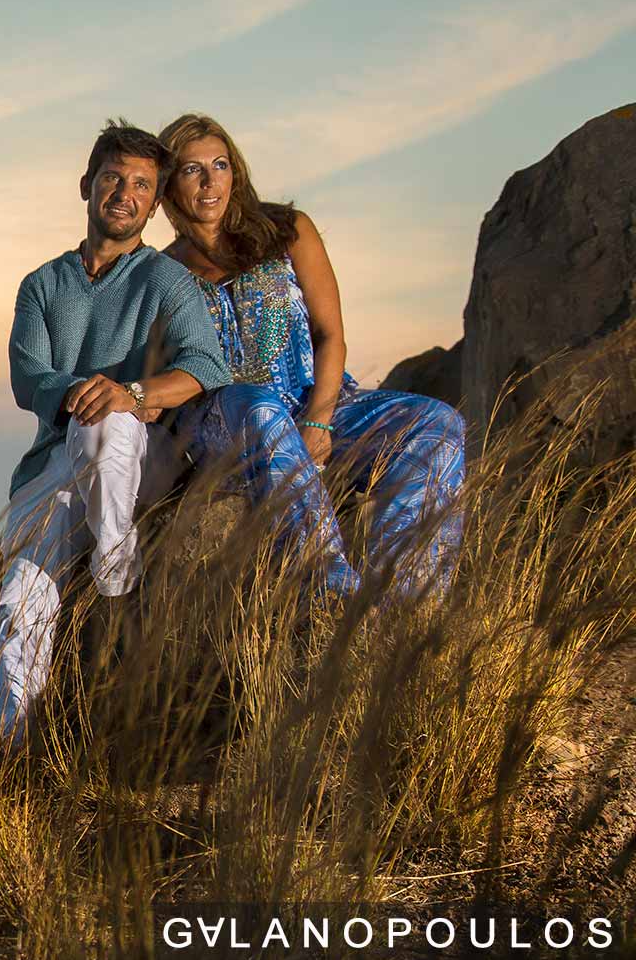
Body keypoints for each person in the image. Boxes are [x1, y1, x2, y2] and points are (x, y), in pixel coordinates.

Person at [0, 120, 234, 746]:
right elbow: (27, 374)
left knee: (110, 425)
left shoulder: (165, 280)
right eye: (112, 178)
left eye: (141, 185)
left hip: (141, 451)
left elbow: (206, 364)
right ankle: (6, 752)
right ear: (86, 186)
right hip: (57, 461)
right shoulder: (42, 286)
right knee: (20, 601)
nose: (124, 192)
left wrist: (135, 395)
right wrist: (74, 392)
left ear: (155, 205)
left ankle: (117, 565)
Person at [152, 113, 465, 599]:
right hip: (224, 417)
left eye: (220, 164)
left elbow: (330, 334)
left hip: (310, 397)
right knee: (256, 404)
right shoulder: (162, 271)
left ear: (237, 170)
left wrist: (319, 421)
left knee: (436, 421)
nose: (211, 181)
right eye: (193, 170)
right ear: (170, 185)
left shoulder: (287, 230)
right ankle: (330, 594)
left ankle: (405, 600)